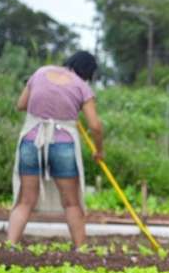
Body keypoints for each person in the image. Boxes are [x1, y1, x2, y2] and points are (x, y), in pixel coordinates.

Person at [6, 51, 104, 248]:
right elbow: (95, 126)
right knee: (71, 202)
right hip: (63, 144)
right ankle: (81, 250)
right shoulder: (82, 86)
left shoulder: (40, 73)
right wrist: (99, 150)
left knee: (25, 200)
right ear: (88, 72)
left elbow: (20, 104)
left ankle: (10, 245)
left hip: (32, 140)